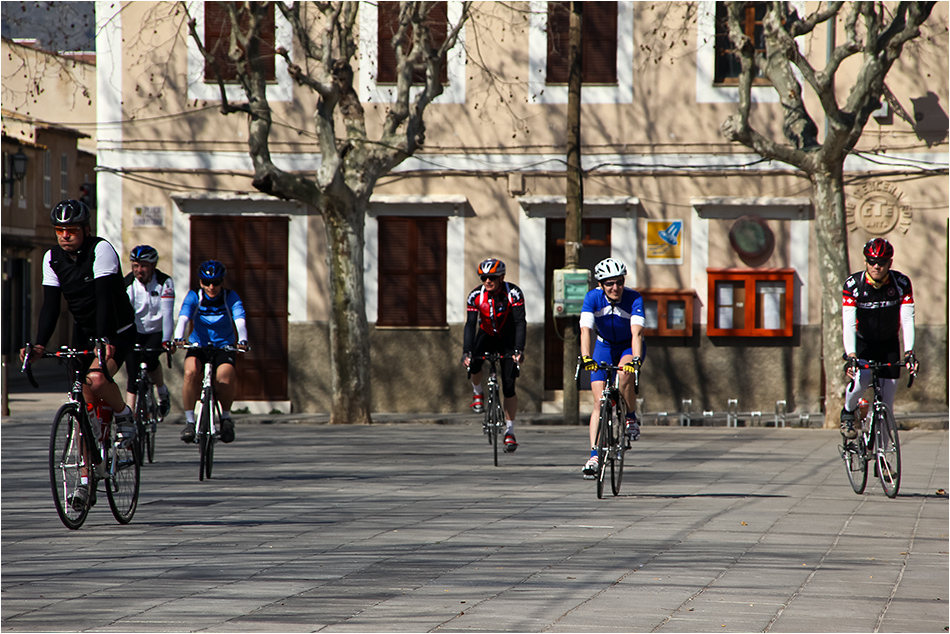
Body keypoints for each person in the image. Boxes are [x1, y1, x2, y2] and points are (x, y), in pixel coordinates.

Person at [19, 199, 137, 508]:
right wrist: (40, 344)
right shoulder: (51, 258)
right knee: (80, 405)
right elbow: (50, 306)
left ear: (85, 230)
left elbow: (102, 298)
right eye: (59, 230)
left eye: (71, 230)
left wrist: (102, 339)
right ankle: (85, 483)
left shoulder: (102, 250)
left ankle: (124, 414)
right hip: (83, 331)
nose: (65, 236)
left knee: (96, 380)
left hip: (115, 328)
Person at [840, 237, 918, 439]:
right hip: (863, 344)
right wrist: (851, 354)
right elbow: (848, 322)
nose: (877, 266)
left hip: (889, 344)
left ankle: (884, 460)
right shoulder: (854, 284)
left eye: (882, 262)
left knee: (887, 404)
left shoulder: (901, 283)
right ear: (865, 262)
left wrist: (909, 352)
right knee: (861, 381)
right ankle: (848, 411)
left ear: (889, 263)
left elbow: (907, 320)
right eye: (872, 261)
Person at [578, 257, 644, 479]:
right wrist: (586, 357)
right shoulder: (592, 298)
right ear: (600, 285)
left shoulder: (634, 298)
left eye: (619, 282)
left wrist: (635, 359)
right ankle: (594, 455)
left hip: (627, 346)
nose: (615, 288)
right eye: (609, 283)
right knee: (598, 402)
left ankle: (631, 417)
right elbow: (586, 330)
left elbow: (637, 332)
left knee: (625, 375)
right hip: (603, 346)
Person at [174, 260, 249, 444]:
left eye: (215, 282)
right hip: (198, 345)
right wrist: (178, 337)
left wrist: (243, 340)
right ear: (200, 282)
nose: (211, 287)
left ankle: (225, 417)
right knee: (191, 373)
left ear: (222, 282)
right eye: (206, 282)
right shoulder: (194, 296)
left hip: (223, 346)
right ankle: (190, 422)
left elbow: (240, 319)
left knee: (225, 378)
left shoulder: (230, 297)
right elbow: (183, 317)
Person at [461, 258, 526, 453]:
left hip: (508, 339)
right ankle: (477, 391)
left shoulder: (513, 293)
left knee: (508, 386)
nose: (487, 281)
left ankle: (510, 431)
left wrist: (519, 350)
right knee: (473, 363)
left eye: (492, 277)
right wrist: (466, 351)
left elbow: (520, 323)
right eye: (484, 277)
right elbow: (470, 324)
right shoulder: (475, 296)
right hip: (486, 336)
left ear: (501, 277)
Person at [124, 245, 175, 417]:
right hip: (134, 331)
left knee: (151, 360)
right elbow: (123, 315)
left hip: (156, 331)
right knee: (132, 373)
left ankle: (161, 392)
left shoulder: (164, 282)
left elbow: (168, 314)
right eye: (135, 266)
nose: (139, 270)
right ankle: (129, 417)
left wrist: (167, 339)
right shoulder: (127, 283)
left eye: (144, 266)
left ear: (153, 266)